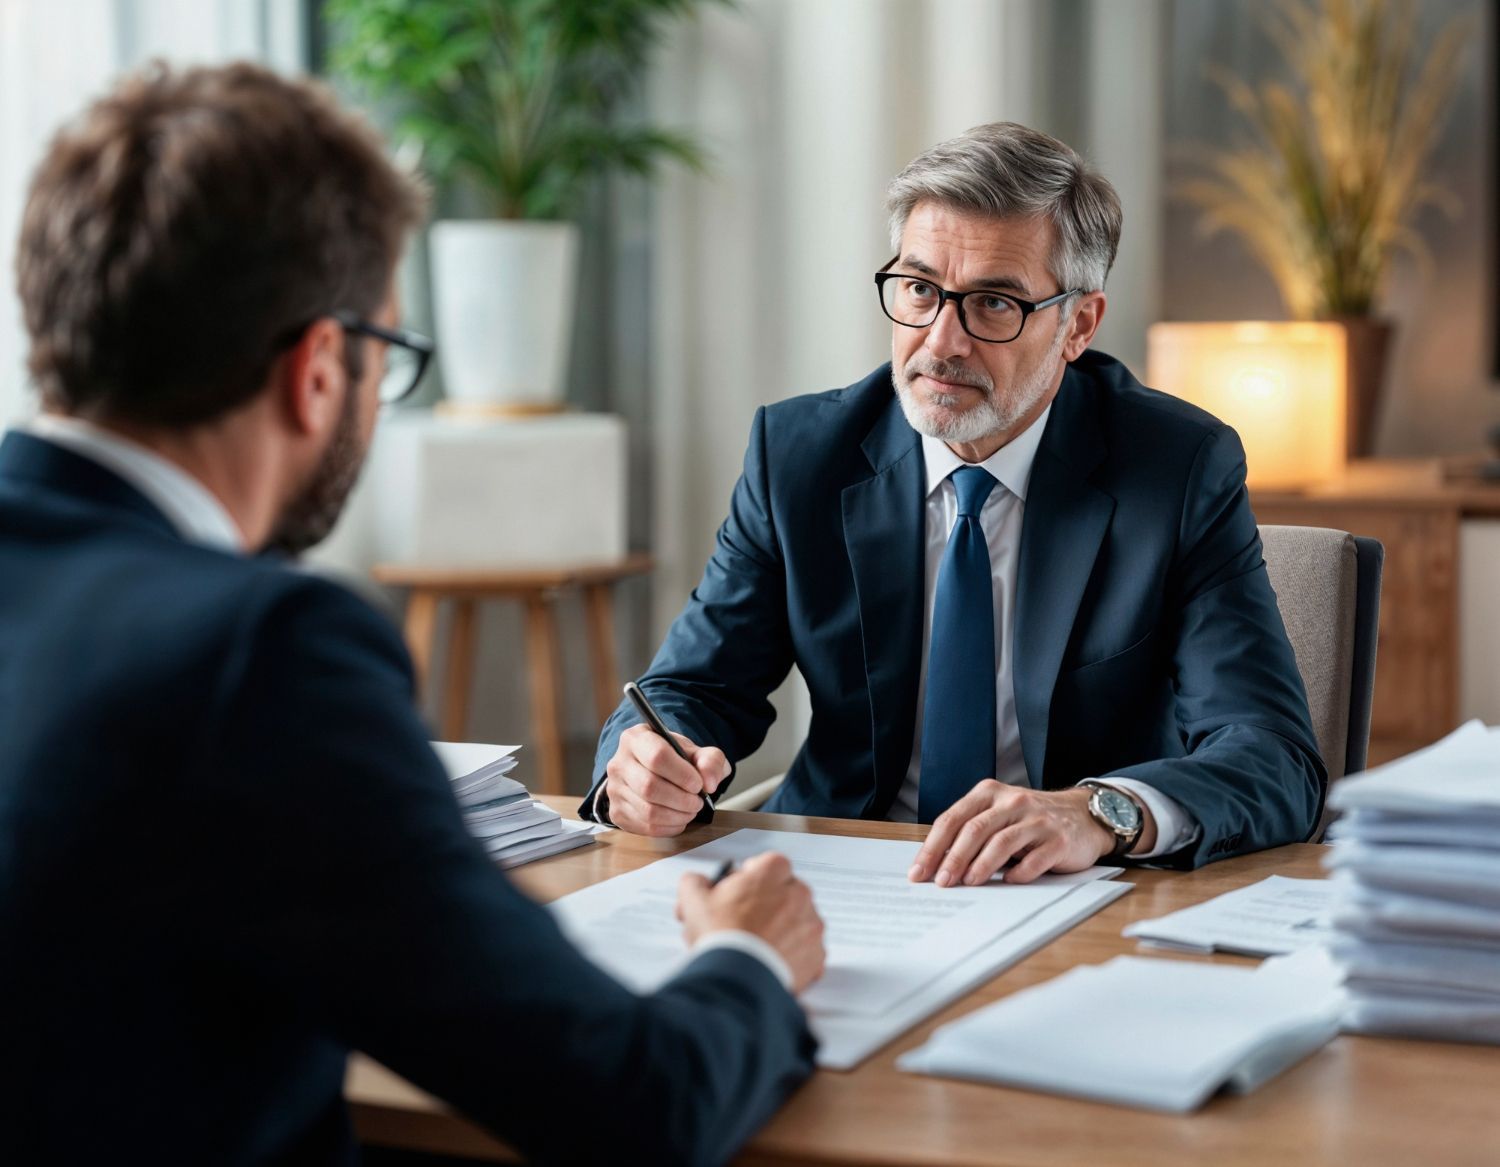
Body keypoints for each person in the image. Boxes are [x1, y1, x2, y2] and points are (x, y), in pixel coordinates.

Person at [0, 63, 823, 1166]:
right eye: (388, 354)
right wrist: (748, 957)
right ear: (318, 370)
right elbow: (636, 1106)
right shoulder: (260, 654)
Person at [585, 122, 1325, 883]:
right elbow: (691, 687)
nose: (941, 341)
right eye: (918, 289)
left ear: (1078, 325)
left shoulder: (1174, 469)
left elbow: (1273, 757)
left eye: (995, 304)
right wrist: (642, 765)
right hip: (843, 875)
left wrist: (1101, 811)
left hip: (1070, 891)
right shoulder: (802, 454)